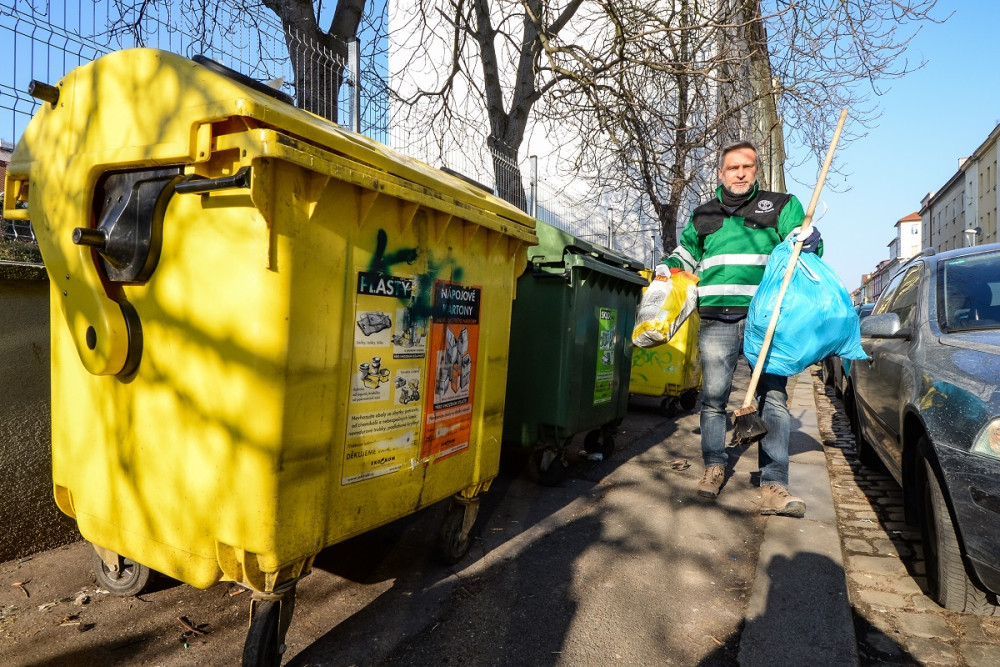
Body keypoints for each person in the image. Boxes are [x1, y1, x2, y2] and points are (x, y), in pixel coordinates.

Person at [656, 140, 821, 518]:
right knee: (714, 398)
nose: (741, 173)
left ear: (756, 170)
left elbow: (801, 243)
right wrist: (668, 267)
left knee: (773, 398)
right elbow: (686, 253)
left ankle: (774, 483)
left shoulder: (780, 206)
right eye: (733, 168)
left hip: (765, 319)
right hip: (716, 319)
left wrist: (811, 240)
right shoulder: (703, 214)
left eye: (747, 166)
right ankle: (714, 465)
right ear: (721, 173)